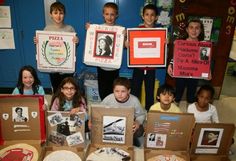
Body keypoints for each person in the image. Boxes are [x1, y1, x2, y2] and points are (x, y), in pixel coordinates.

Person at [34, 1, 79, 93]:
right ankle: (56, 103)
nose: (58, 16)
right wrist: (38, 42)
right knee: (56, 87)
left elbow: (74, 46)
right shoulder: (47, 29)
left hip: (67, 68)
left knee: (68, 88)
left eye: (61, 13)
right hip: (53, 67)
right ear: (51, 14)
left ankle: (67, 104)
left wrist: (76, 41)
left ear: (64, 14)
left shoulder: (69, 29)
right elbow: (44, 45)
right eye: (55, 13)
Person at [86, 2, 124, 100]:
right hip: (101, 67)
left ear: (116, 15)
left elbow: (123, 46)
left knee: (114, 90)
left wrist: (125, 37)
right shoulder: (98, 28)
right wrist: (90, 30)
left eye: (112, 14)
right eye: (107, 14)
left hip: (114, 68)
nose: (109, 17)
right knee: (102, 90)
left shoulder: (119, 30)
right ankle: (104, 106)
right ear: (103, 14)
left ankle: (113, 107)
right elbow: (92, 41)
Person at [167, 19, 206, 105]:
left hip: (194, 74)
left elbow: (205, 61)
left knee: (191, 95)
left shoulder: (203, 45)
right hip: (181, 72)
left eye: (197, 28)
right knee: (178, 92)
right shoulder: (181, 43)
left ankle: (190, 112)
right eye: (191, 27)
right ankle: (175, 109)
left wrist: (208, 71)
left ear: (200, 30)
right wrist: (170, 65)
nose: (194, 30)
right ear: (187, 29)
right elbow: (175, 57)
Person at [101, 77, 146, 147]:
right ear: (113, 90)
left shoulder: (134, 100)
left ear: (128, 91)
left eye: (123, 91)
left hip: (128, 123)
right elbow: (99, 110)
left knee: (139, 131)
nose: (120, 94)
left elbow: (141, 115)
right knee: (96, 125)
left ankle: (132, 138)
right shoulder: (109, 98)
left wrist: (137, 122)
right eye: (117, 91)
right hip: (112, 123)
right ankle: (111, 138)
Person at [131, 4, 160, 112]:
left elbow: (160, 50)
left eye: (152, 15)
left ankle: (149, 113)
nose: (149, 17)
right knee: (135, 91)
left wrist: (165, 42)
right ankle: (133, 112)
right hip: (138, 67)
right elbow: (129, 44)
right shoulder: (137, 30)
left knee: (149, 91)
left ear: (156, 17)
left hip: (151, 68)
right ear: (142, 16)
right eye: (147, 14)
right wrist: (127, 43)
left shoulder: (159, 33)